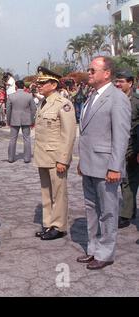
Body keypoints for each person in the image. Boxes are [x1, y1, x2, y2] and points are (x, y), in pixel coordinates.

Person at [77, 56, 131, 270]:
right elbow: (87, 133)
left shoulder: (117, 98)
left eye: (92, 70)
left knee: (108, 210)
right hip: (90, 163)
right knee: (91, 209)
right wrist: (82, 160)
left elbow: (121, 135)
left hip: (107, 166)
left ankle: (106, 253)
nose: (89, 73)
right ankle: (94, 249)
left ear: (106, 73)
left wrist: (115, 167)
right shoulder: (93, 96)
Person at [33, 67, 76, 240]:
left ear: (53, 84)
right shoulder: (43, 102)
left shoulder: (63, 104)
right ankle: (49, 223)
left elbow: (68, 134)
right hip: (43, 156)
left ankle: (58, 226)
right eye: (39, 82)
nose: (39, 85)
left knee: (58, 193)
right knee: (46, 192)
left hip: (56, 156)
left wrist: (63, 160)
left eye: (43, 83)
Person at [114, 70, 139, 229]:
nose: (118, 84)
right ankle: (129, 211)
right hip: (120, 146)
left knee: (129, 180)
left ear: (130, 83)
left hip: (133, 146)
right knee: (125, 180)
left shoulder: (136, 101)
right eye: (117, 81)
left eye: (121, 81)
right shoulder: (116, 100)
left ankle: (126, 214)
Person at [6, 80, 37, 164]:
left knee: (12, 139)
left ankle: (11, 158)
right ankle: (27, 158)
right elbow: (33, 109)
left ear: (16, 86)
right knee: (27, 139)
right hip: (26, 119)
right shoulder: (29, 96)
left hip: (14, 119)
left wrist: (8, 121)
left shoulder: (11, 96)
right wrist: (32, 121)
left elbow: (8, 110)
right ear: (23, 86)